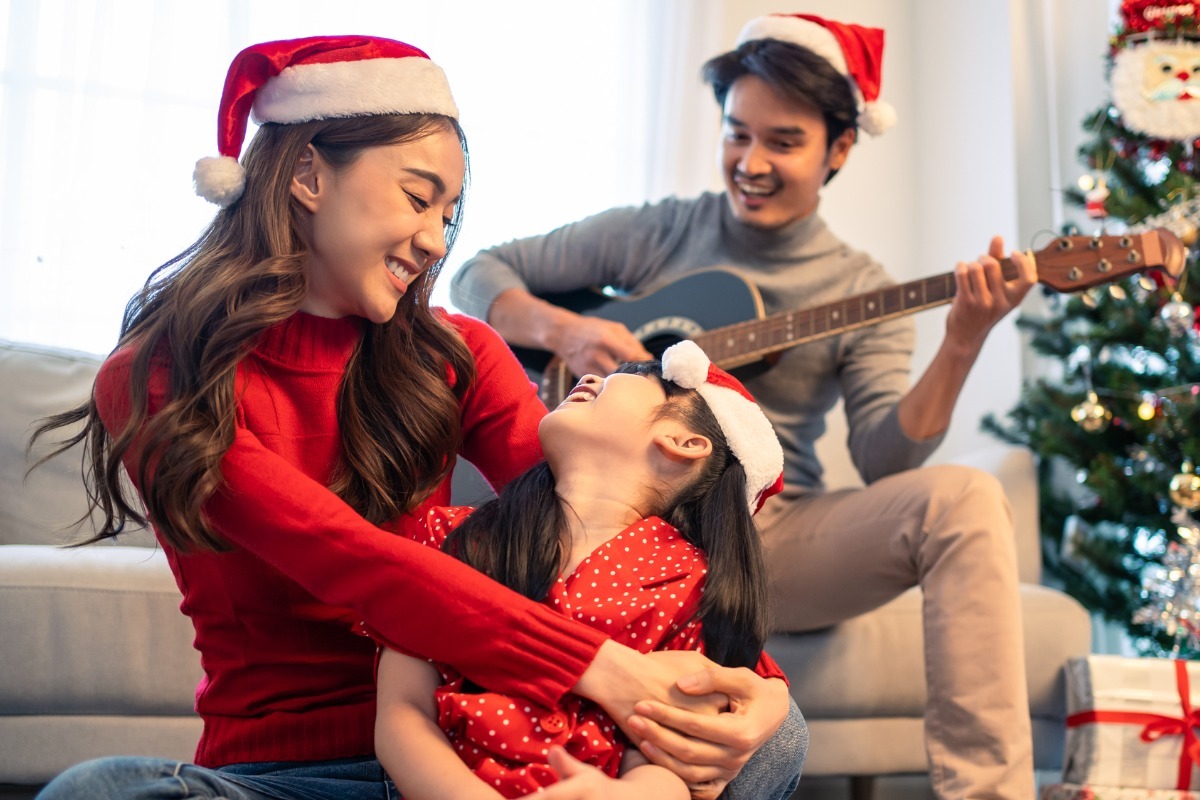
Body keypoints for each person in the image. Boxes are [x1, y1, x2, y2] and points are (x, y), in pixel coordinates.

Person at [28, 35, 800, 800]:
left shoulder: (458, 355)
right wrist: (597, 666)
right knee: (103, 791)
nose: (435, 241)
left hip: (489, 754)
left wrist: (760, 688)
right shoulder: (157, 376)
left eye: (448, 213)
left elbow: (613, 515)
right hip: (291, 780)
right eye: (417, 196)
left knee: (780, 734)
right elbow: (346, 555)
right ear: (307, 175)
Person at [450, 12, 1039, 800]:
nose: (750, 163)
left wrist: (961, 342)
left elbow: (883, 457)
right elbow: (479, 272)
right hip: (612, 508)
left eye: (783, 142)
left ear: (839, 148)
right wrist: (567, 332)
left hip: (759, 532)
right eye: (737, 134)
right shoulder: (663, 229)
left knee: (965, 497)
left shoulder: (862, 287)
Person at [375, 340, 795, 799]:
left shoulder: (692, 588)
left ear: (684, 442)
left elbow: (663, 762)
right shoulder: (450, 537)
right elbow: (403, 710)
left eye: (627, 376)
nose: (590, 378)